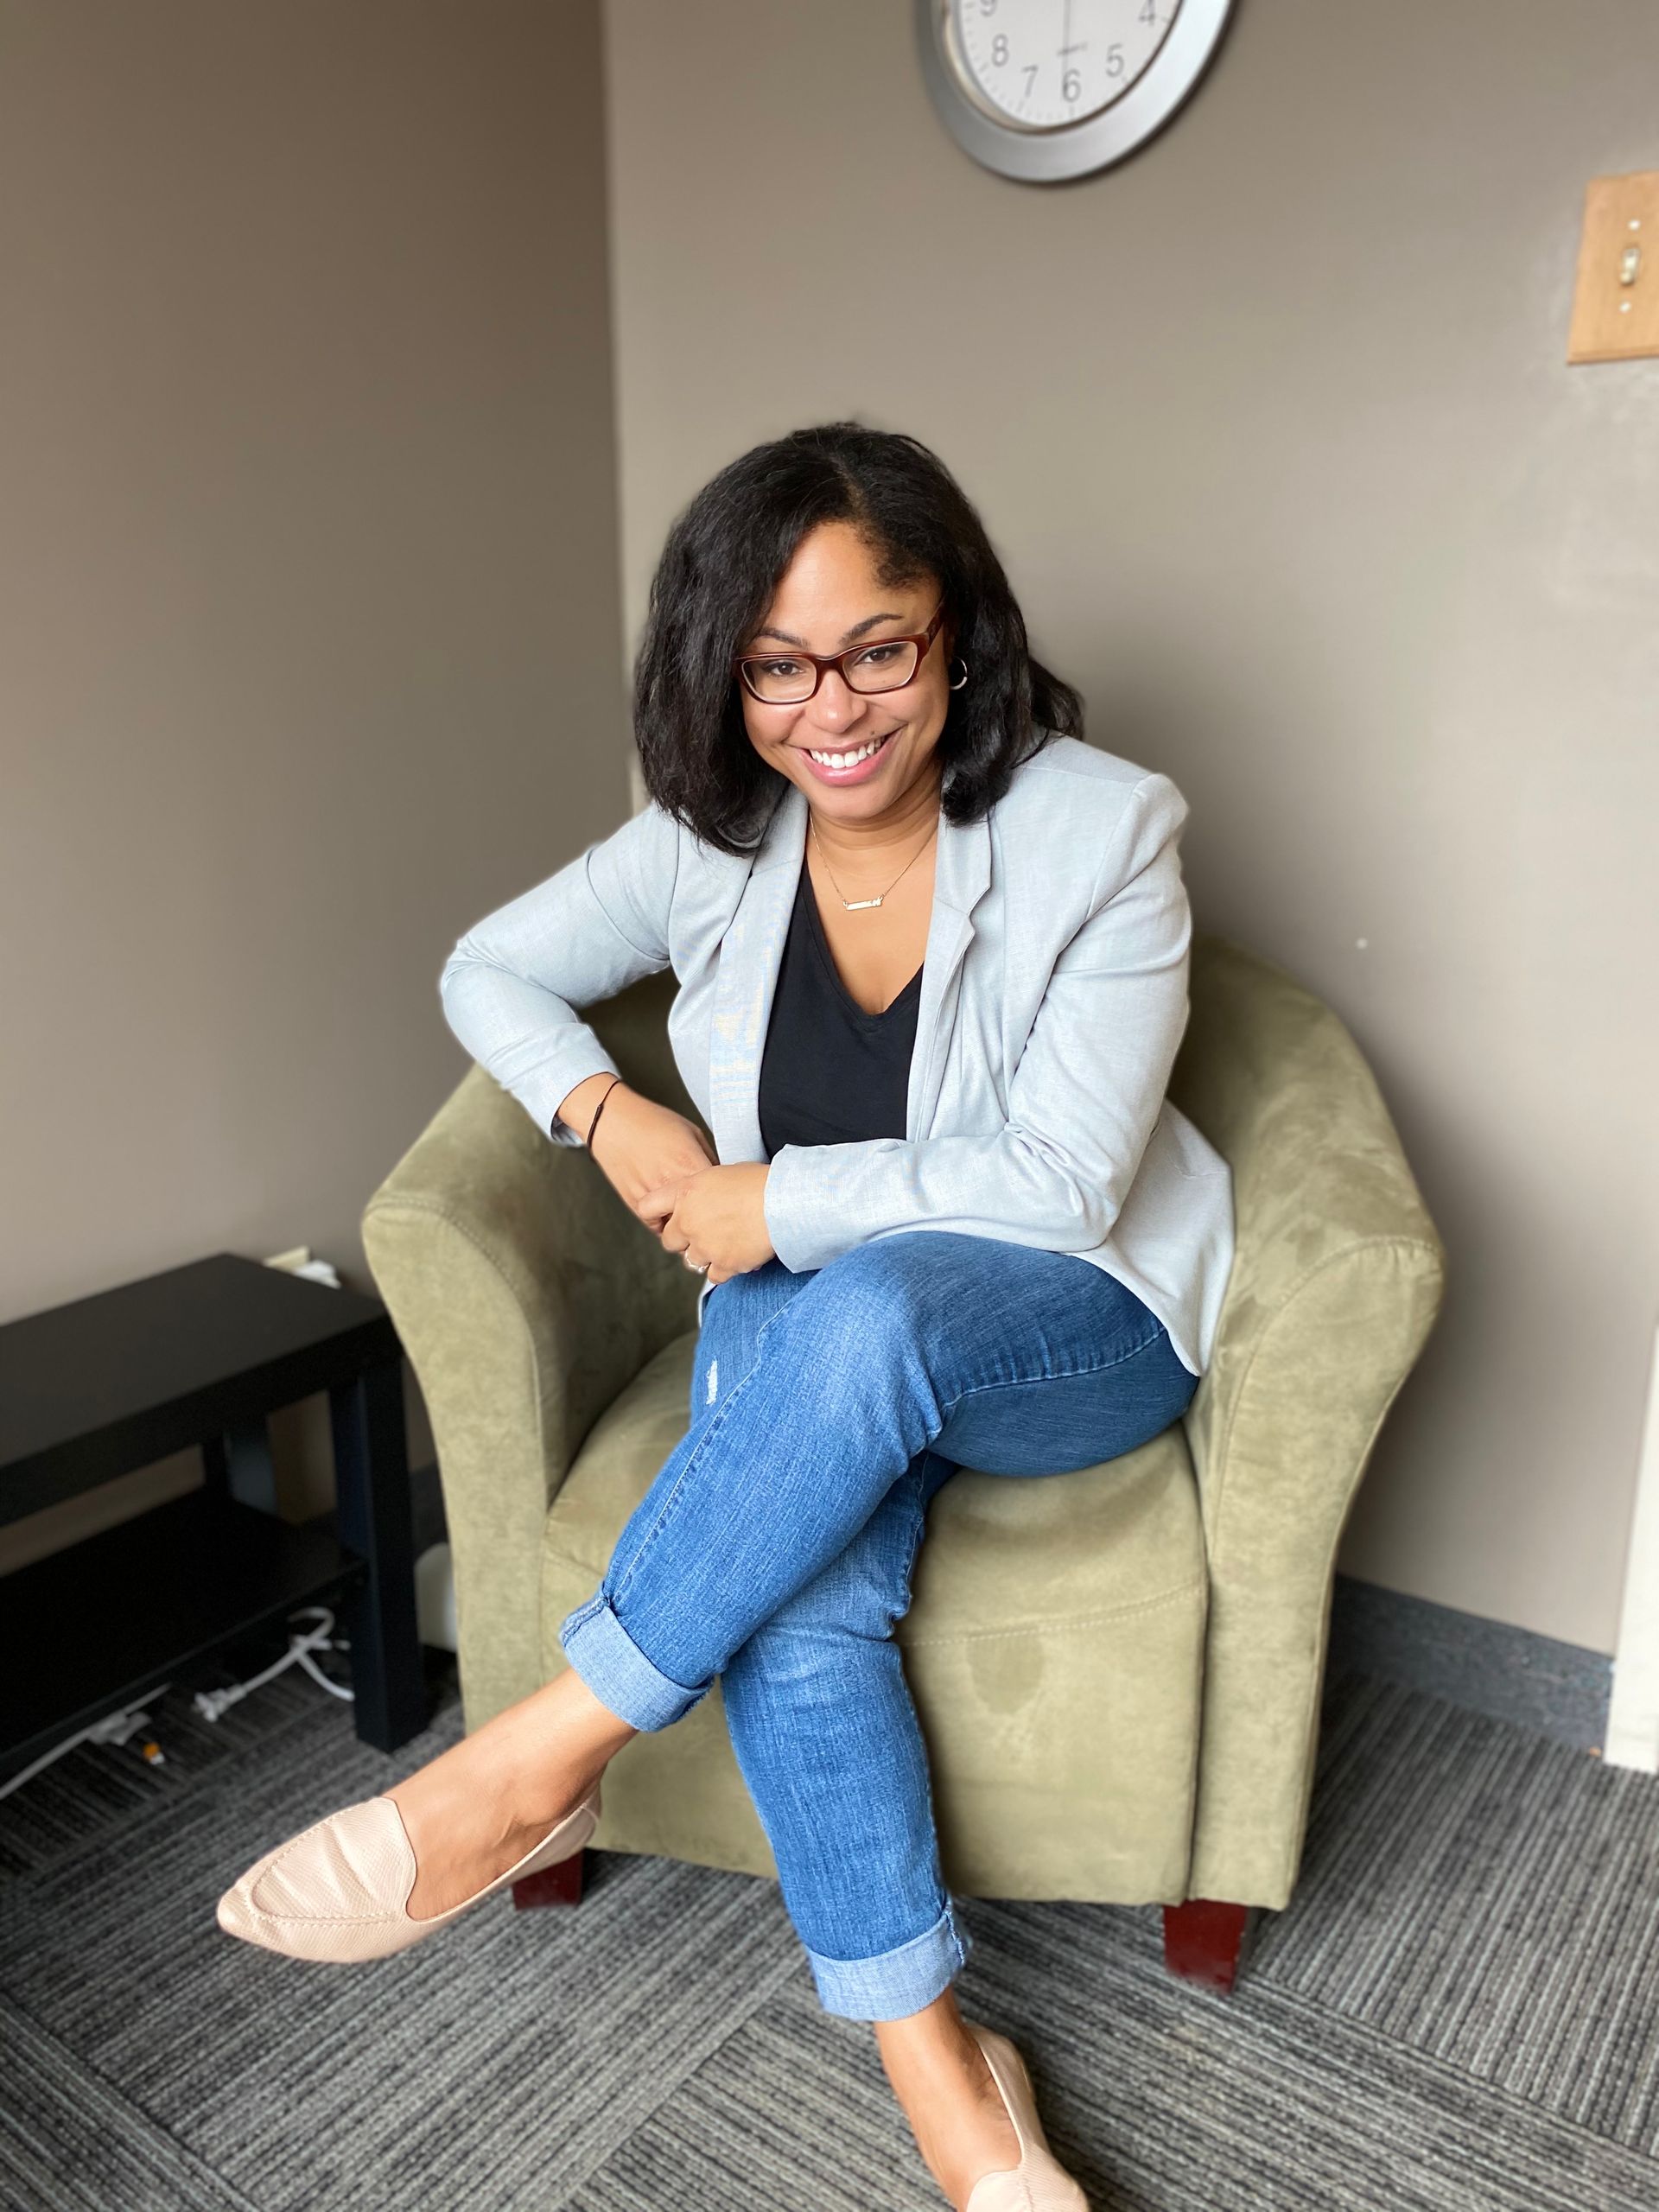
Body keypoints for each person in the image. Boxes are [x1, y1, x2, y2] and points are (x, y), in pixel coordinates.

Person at [216, 421, 1235, 2211]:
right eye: (774, 662)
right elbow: (489, 963)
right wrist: (612, 1114)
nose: (828, 705)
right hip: (820, 1316)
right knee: (798, 1579)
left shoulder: (1106, 825)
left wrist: (781, 1197)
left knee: (853, 1309)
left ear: (959, 636)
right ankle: (948, 2077)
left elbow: (1070, 1174)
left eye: (877, 646)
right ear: (725, 668)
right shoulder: (711, 839)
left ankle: (539, 1749)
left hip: (1069, 1323)